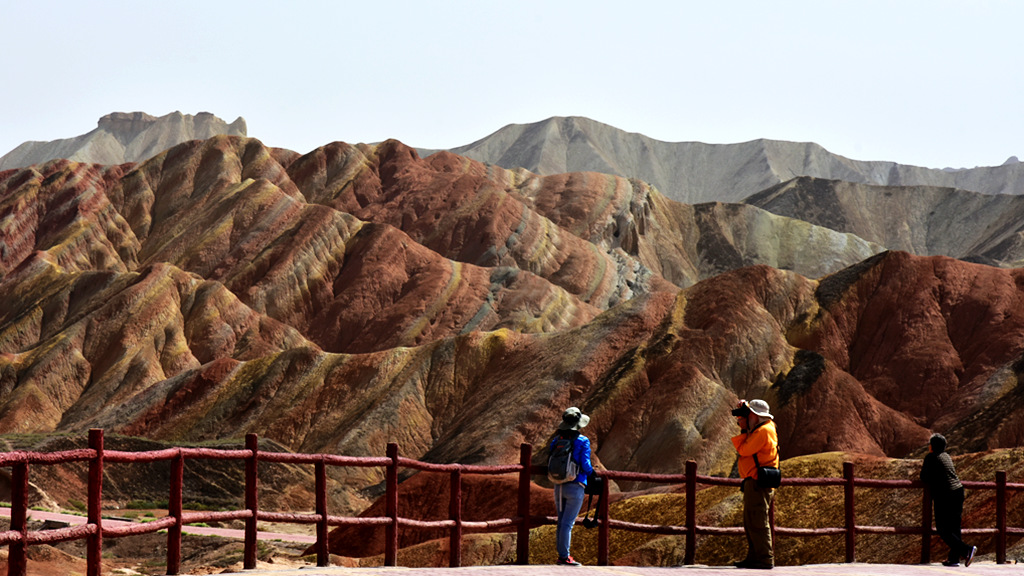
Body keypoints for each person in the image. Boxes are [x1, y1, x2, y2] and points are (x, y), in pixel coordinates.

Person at [731, 398, 779, 569]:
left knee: (758, 521)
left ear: (757, 416)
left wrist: (744, 428)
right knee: (751, 521)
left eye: (749, 414)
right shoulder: (765, 427)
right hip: (755, 481)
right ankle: (754, 557)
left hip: (758, 482)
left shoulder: (762, 432)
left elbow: (744, 450)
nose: (746, 417)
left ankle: (765, 558)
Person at [920, 433, 977, 567]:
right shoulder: (946, 456)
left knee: (942, 528)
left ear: (932, 446)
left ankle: (966, 550)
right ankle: (954, 558)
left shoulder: (931, 457)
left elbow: (924, 477)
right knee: (954, 526)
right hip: (958, 491)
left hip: (945, 494)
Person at [550, 406, 594, 566]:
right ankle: (564, 556)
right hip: (575, 486)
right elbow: (586, 464)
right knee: (568, 523)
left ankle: (562, 555)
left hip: (558, 485)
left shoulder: (556, 441)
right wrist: (592, 473)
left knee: (561, 521)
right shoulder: (582, 441)